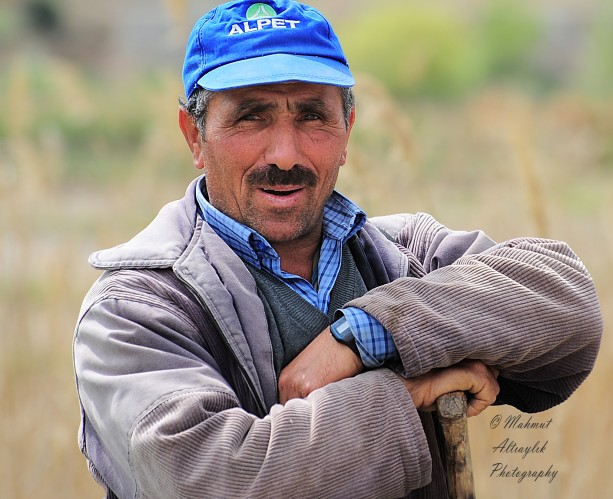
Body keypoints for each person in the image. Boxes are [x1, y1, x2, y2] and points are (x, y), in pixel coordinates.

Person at [73, 1, 602, 498]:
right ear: (194, 135)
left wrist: (363, 335)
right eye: (251, 117)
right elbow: (218, 478)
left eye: (311, 116)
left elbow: (568, 302)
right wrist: (407, 394)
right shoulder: (134, 310)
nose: (285, 154)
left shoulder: (403, 255)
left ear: (347, 128)